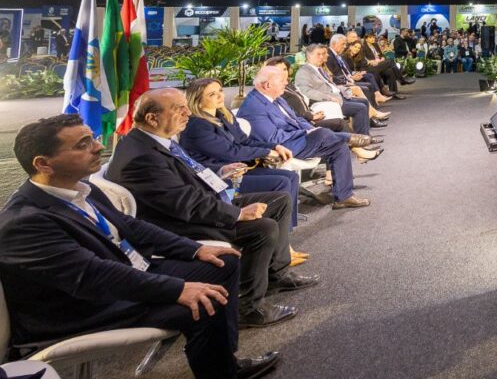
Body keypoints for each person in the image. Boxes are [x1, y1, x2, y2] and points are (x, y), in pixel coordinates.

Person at [0, 115, 280, 379]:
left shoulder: (82, 188)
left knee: (222, 262)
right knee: (209, 301)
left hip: (121, 273)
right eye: (83, 144)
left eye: (93, 138)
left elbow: (131, 226)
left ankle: (221, 359)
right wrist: (178, 288)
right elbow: (93, 276)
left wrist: (193, 249)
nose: (98, 147)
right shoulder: (26, 221)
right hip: (82, 308)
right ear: (43, 164)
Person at [107, 89, 317, 328]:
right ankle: (248, 307)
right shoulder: (141, 157)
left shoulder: (154, 140)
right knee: (263, 228)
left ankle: (276, 274)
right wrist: (238, 213)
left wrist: (220, 173)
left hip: (202, 202)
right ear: (152, 118)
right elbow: (184, 203)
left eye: (186, 106)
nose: (188, 113)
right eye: (178, 109)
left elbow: (187, 175)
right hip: (179, 224)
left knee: (278, 200)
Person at [179, 78, 303, 233]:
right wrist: (266, 152)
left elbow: (244, 141)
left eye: (220, 91)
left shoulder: (223, 115)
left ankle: (285, 235)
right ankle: (276, 237)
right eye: (212, 94)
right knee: (281, 183)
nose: (220, 96)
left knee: (291, 177)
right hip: (217, 177)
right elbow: (231, 152)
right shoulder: (197, 125)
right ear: (198, 101)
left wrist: (274, 146)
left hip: (237, 169)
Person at [238, 66, 371, 209]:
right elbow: (273, 139)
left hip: (295, 140)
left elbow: (297, 120)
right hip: (282, 148)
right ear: (268, 85)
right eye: (282, 80)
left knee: (338, 146)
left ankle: (344, 197)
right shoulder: (254, 107)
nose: (286, 83)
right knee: (323, 134)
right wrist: (306, 134)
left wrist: (310, 130)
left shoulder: (276, 99)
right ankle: (348, 137)